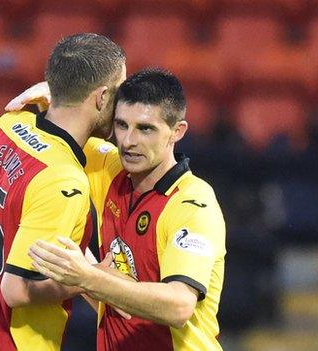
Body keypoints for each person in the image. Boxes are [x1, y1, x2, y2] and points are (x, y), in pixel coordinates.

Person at [0, 33, 126, 351]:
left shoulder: (9, 123)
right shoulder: (64, 180)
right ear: (102, 97)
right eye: (121, 91)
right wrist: (87, 277)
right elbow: (16, 289)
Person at [28, 69, 226, 350]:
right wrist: (41, 96)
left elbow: (179, 306)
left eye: (145, 129)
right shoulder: (110, 170)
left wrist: (88, 276)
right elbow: (55, 119)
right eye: (121, 125)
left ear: (177, 131)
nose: (129, 141)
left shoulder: (193, 204)